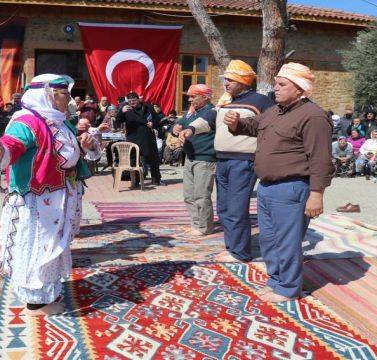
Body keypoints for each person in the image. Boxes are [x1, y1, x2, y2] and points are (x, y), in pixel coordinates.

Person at [0, 74, 98, 314]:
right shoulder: (26, 121)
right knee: (37, 244)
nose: (70, 99)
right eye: (64, 94)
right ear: (47, 95)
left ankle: (47, 292)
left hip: (58, 196)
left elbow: (66, 152)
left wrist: (83, 146)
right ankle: (36, 301)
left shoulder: (59, 121)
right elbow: (11, 145)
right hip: (37, 200)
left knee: (52, 244)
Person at [222, 62, 333, 303]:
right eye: (276, 84)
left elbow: (321, 159)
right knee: (268, 239)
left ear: (300, 89)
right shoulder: (275, 111)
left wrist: (317, 193)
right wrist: (236, 123)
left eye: (282, 85)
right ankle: (276, 281)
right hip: (267, 187)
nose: (276, 89)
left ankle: (288, 288)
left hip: (292, 188)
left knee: (288, 242)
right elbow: (255, 126)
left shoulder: (313, 116)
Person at [179, 60, 274, 264]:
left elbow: (271, 127)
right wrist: (191, 129)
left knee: (236, 207)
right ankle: (232, 247)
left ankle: (240, 253)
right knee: (224, 207)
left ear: (242, 81)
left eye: (230, 79)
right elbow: (209, 119)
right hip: (222, 160)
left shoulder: (260, 101)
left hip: (244, 162)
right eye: (226, 80)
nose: (226, 83)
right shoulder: (226, 101)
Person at [173, 84, 217, 236]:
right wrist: (175, 128)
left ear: (205, 97)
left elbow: (196, 127)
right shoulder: (192, 112)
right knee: (189, 195)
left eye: (193, 96)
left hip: (205, 158)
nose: (190, 100)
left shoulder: (212, 112)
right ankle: (196, 224)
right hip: (190, 158)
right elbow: (181, 126)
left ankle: (204, 227)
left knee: (202, 195)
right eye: (189, 97)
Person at [116, 92, 163, 186]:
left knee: (153, 158)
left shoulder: (148, 107)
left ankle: (156, 179)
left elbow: (157, 119)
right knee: (134, 160)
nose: (132, 103)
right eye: (130, 101)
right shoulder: (125, 109)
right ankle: (136, 180)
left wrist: (153, 123)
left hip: (147, 136)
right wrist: (121, 112)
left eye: (134, 101)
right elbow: (118, 121)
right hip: (133, 138)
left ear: (138, 99)